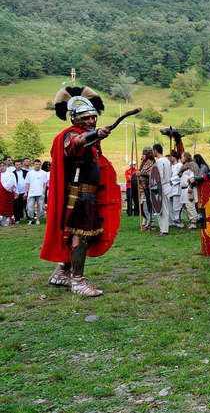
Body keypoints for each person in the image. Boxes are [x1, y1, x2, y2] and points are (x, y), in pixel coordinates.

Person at [40, 86, 120, 297]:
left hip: (88, 194)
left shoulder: (88, 137)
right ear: (75, 119)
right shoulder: (70, 135)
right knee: (80, 235)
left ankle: (61, 273)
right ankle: (77, 280)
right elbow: (76, 143)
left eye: (93, 118)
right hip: (78, 196)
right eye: (86, 118)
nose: (91, 121)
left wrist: (95, 135)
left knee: (77, 235)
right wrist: (95, 133)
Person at [153, 143, 172, 236]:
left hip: (162, 186)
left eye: (153, 151)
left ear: (155, 151)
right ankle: (164, 229)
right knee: (165, 208)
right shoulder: (167, 160)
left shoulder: (160, 161)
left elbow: (159, 175)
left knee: (162, 209)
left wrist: (156, 187)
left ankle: (164, 230)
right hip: (167, 185)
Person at [24, 159, 48, 225]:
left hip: (40, 193)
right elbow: (27, 183)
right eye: (36, 164)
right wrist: (26, 192)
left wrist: (43, 191)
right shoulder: (29, 173)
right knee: (30, 207)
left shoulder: (44, 173)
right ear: (34, 165)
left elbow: (45, 183)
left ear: (40, 165)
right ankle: (31, 219)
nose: (38, 166)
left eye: (39, 164)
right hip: (31, 193)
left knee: (40, 207)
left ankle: (38, 219)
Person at [178, 152, 199, 229]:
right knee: (187, 206)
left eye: (182, 157)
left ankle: (193, 223)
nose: (181, 158)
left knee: (190, 206)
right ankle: (192, 221)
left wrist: (190, 186)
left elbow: (192, 178)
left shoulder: (192, 166)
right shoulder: (184, 167)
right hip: (185, 189)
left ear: (186, 157)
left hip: (189, 189)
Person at [137, 147, 155, 230]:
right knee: (144, 206)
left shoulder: (151, 163)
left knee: (148, 206)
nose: (142, 156)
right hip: (143, 188)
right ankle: (148, 221)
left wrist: (141, 174)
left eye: (144, 154)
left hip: (148, 187)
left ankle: (151, 223)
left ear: (147, 155)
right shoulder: (144, 163)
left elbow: (151, 175)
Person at [168, 151, 183, 228]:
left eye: (171, 156)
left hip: (176, 188)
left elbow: (179, 176)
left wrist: (171, 180)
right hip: (170, 189)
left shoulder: (180, 165)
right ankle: (172, 221)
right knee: (170, 206)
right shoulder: (171, 166)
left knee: (176, 206)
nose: (170, 158)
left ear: (174, 157)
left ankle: (178, 221)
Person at [0, 160, 17, 226]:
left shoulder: (10, 174)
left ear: (6, 166)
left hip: (7, 193)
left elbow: (11, 183)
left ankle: (7, 221)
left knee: (7, 207)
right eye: (0, 166)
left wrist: (3, 189)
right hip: (0, 194)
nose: (1, 167)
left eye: (3, 166)